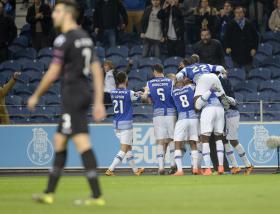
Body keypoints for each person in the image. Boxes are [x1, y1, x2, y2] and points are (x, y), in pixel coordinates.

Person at [27, 0, 106, 206]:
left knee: (82, 143)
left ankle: (96, 196)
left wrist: (36, 95)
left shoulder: (64, 39)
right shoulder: (85, 38)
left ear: (68, 15)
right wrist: (98, 101)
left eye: (57, 11)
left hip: (72, 95)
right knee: (59, 140)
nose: (53, 15)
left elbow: (53, 71)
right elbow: (97, 70)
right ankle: (49, 193)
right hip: (82, 93)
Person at [105, 71, 145, 176]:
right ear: (126, 80)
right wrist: (144, 91)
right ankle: (110, 169)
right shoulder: (129, 93)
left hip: (116, 125)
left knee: (128, 148)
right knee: (123, 150)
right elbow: (140, 97)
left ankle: (136, 170)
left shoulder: (112, 92)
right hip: (126, 126)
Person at [142, 64, 177, 175]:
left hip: (158, 113)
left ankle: (161, 168)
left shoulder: (149, 83)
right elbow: (175, 96)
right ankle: (172, 165)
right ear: (162, 71)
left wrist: (146, 95)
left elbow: (144, 99)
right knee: (172, 139)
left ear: (154, 72)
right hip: (171, 112)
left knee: (160, 141)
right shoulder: (170, 82)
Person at [219, 73, 254, 175]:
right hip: (223, 115)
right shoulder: (221, 84)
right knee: (224, 140)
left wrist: (223, 96)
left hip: (232, 114)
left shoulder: (225, 84)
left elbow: (234, 102)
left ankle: (248, 165)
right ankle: (235, 166)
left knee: (233, 140)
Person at [195, 86, 225, 175]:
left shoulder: (200, 89)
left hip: (208, 109)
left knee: (205, 139)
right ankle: (221, 167)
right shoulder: (217, 90)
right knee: (219, 138)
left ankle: (208, 169)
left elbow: (198, 106)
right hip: (220, 109)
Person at [171, 79, 199, 176]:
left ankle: (180, 170)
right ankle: (195, 168)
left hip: (182, 118)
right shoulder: (190, 88)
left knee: (177, 144)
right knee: (193, 143)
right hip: (193, 118)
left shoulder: (173, 92)